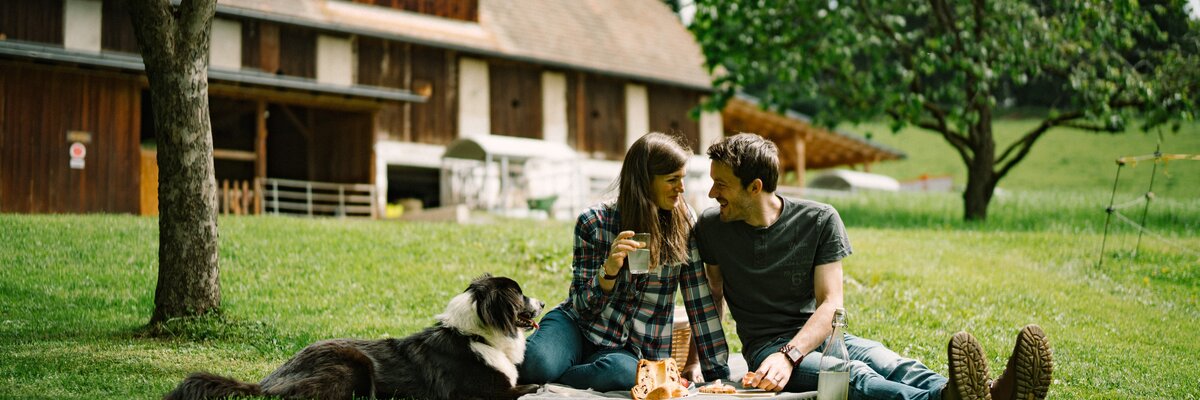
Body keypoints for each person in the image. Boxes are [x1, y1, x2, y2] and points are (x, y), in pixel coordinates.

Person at [694, 133, 1054, 400]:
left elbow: (831, 304)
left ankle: (991, 392)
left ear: (755, 187)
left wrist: (793, 354)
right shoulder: (713, 228)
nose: (712, 193)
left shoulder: (819, 220)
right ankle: (950, 399)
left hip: (823, 335)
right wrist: (696, 366)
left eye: (721, 184)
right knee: (854, 375)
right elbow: (710, 297)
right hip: (766, 347)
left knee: (893, 362)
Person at [518, 132, 730, 392]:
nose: (681, 188)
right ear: (644, 182)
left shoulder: (683, 223)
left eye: (682, 179)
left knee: (623, 372)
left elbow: (698, 300)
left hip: (632, 349)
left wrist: (715, 372)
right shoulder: (594, 222)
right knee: (535, 364)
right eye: (672, 180)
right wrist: (607, 273)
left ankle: (561, 378)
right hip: (578, 327)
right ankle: (559, 368)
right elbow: (581, 306)